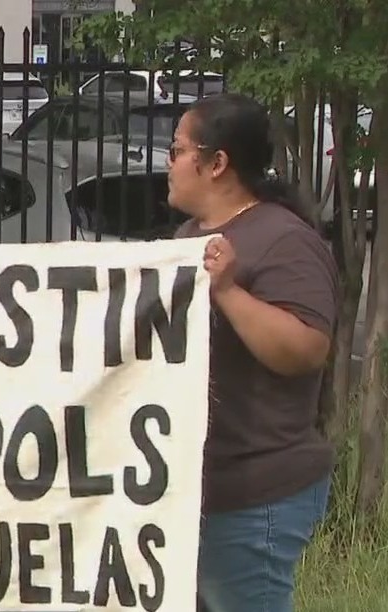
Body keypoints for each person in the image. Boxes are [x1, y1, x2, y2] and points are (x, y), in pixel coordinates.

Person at [167, 93, 338, 611]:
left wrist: (229, 291)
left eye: (177, 150)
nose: (168, 164)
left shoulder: (284, 240)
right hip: (198, 492)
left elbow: (306, 349)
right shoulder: (187, 237)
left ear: (216, 163)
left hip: (256, 493)